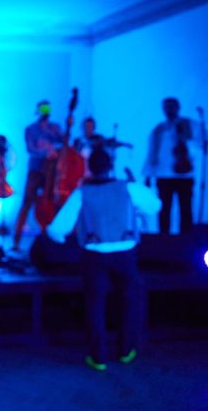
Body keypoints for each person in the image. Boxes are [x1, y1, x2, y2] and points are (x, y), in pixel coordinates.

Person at [48, 148, 161, 371]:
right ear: (110, 166)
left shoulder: (81, 193)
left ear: (90, 168)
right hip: (125, 252)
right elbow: (155, 206)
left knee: (95, 304)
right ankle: (126, 350)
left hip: (94, 253)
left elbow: (57, 228)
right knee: (128, 301)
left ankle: (98, 357)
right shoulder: (128, 188)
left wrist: (61, 241)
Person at [143, 97, 208, 234]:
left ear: (177, 108)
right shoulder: (158, 129)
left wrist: (189, 143)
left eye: (171, 107)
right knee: (164, 209)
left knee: (185, 209)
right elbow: (151, 153)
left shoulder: (188, 124)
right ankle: (164, 240)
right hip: (163, 175)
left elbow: (206, 139)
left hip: (184, 174)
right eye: (166, 107)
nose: (169, 110)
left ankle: (186, 240)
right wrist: (148, 174)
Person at [12, 100, 65, 250]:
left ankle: (52, 239)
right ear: (38, 110)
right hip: (36, 170)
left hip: (52, 172)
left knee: (53, 203)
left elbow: (63, 143)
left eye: (47, 108)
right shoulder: (31, 129)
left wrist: (53, 141)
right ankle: (16, 241)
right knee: (27, 203)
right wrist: (47, 151)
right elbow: (30, 149)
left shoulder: (55, 128)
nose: (45, 111)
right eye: (43, 108)